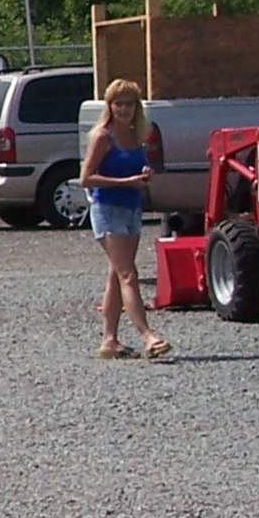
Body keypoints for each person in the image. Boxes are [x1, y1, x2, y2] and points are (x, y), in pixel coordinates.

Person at [82, 78, 169, 360]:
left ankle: (109, 340)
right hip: (107, 209)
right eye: (118, 103)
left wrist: (144, 175)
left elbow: (138, 169)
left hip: (131, 208)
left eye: (129, 104)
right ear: (109, 106)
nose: (123, 109)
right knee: (128, 275)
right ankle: (148, 336)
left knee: (116, 274)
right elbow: (86, 178)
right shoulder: (102, 137)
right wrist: (126, 182)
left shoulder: (136, 135)